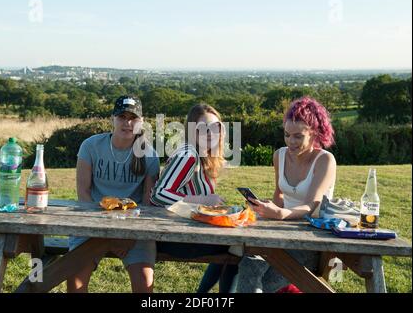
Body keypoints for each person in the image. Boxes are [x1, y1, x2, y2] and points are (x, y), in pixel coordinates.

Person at [236, 96, 337, 293]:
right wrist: (267, 208)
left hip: (311, 240)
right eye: (287, 134)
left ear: (314, 133)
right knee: (248, 262)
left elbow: (311, 205)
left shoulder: (325, 161)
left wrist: (281, 213)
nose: (291, 141)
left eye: (298, 136)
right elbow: (279, 197)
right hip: (280, 234)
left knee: (263, 281)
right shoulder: (279, 156)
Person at [67, 95, 160, 293]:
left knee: (145, 284)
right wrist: (103, 232)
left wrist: (129, 236)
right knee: (75, 282)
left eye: (133, 118)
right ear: (112, 119)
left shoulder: (149, 155)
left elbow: (147, 204)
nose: (127, 123)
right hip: (92, 223)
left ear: (141, 122)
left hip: (133, 227)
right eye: (122, 117)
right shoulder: (90, 146)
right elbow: (83, 194)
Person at [150, 104, 238, 293]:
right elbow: (158, 194)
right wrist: (202, 200)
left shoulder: (202, 155)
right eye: (203, 129)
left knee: (236, 245)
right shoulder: (188, 155)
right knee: (238, 246)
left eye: (216, 127)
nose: (210, 133)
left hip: (190, 230)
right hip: (176, 238)